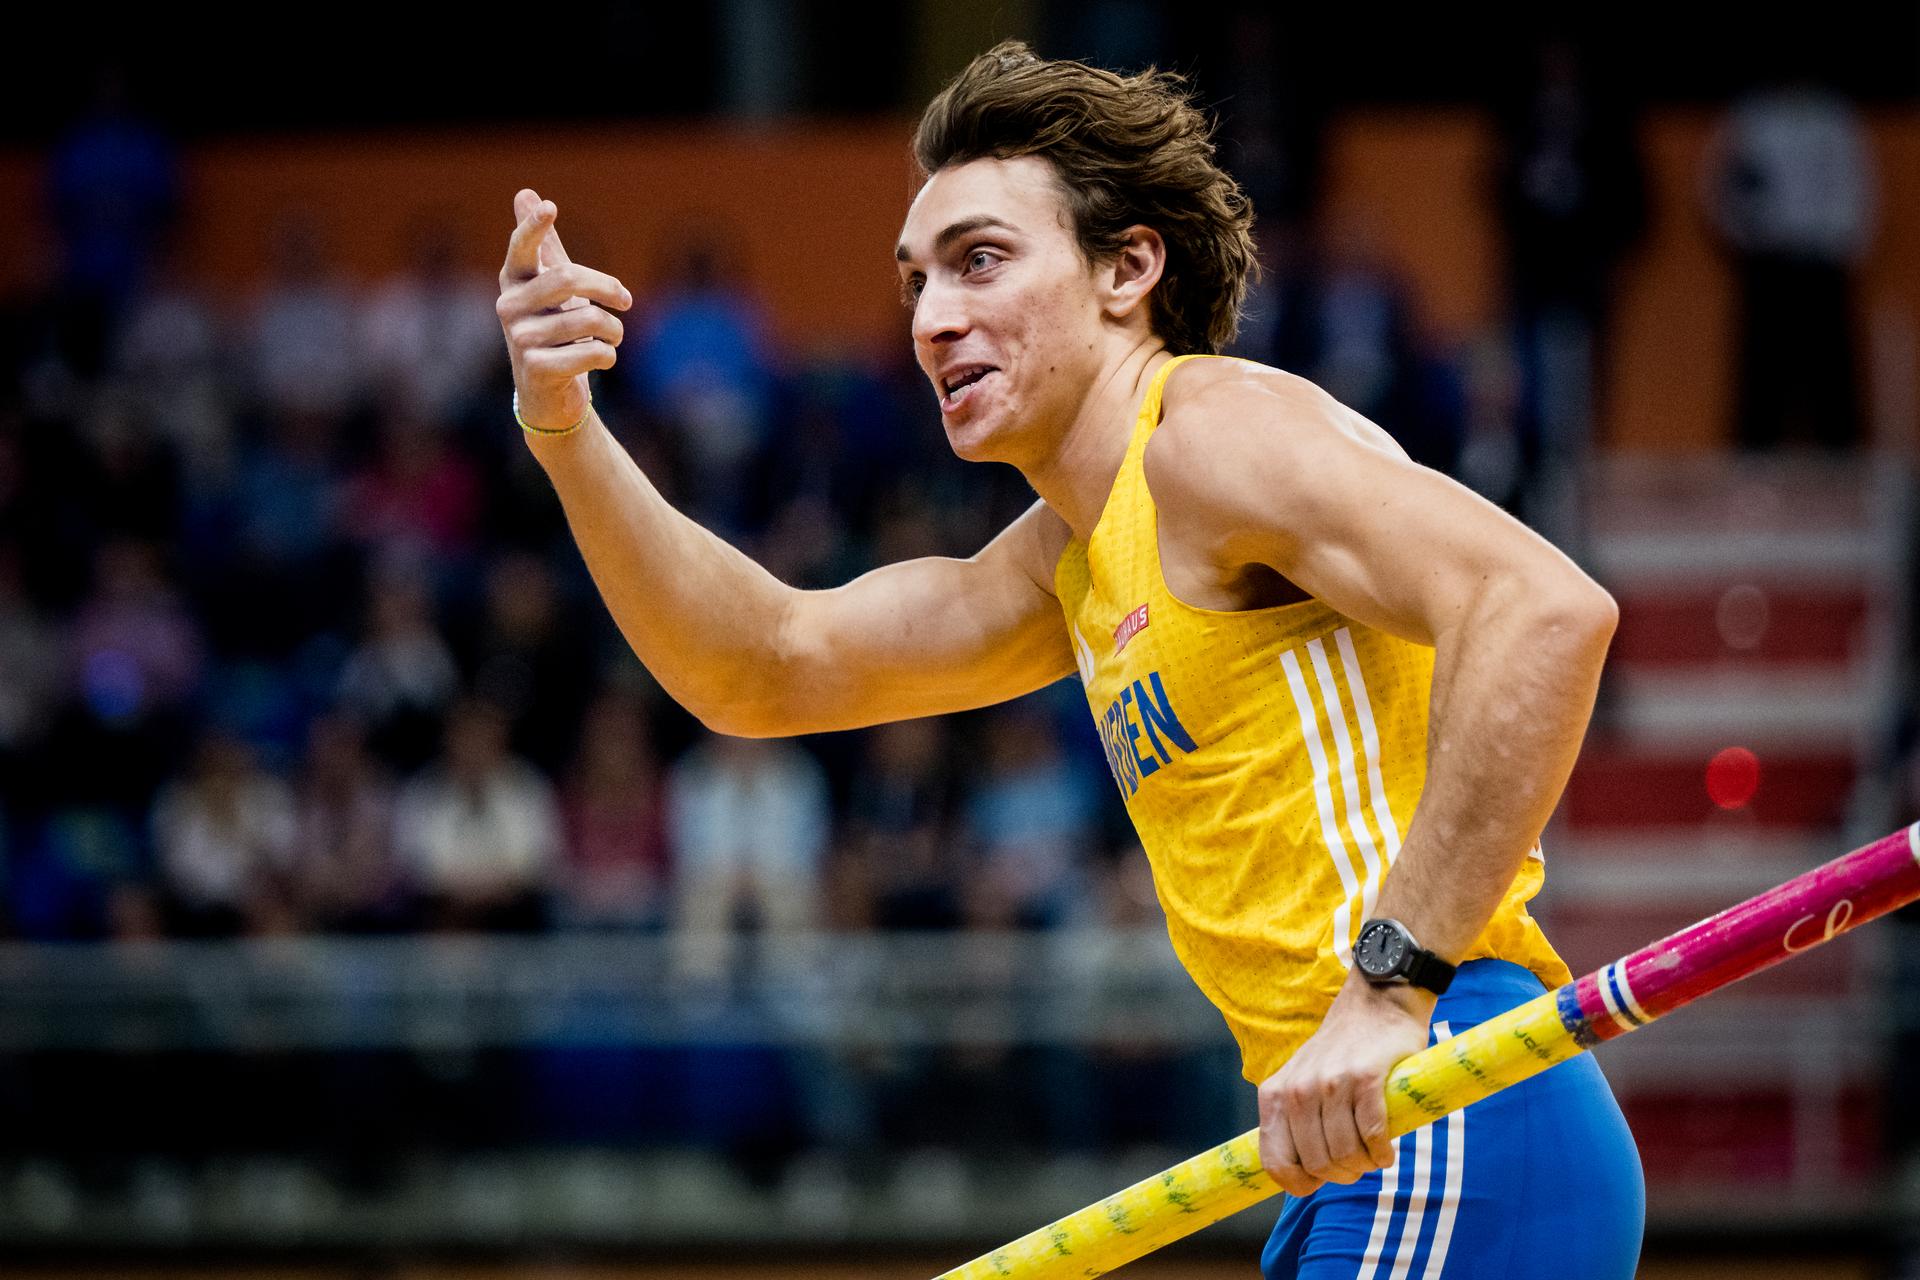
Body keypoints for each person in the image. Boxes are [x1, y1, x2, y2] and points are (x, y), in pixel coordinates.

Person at [494, 41, 1641, 1279]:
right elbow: (764, 664)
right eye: (917, 282)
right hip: (1355, 1121)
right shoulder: (1075, 556)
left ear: (1127, 268)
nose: (935, 317)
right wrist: (566, 432)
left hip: (1442, 1086)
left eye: (981, 259)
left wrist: (1388, 985)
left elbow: (1542, 608)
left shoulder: (1209, 440)